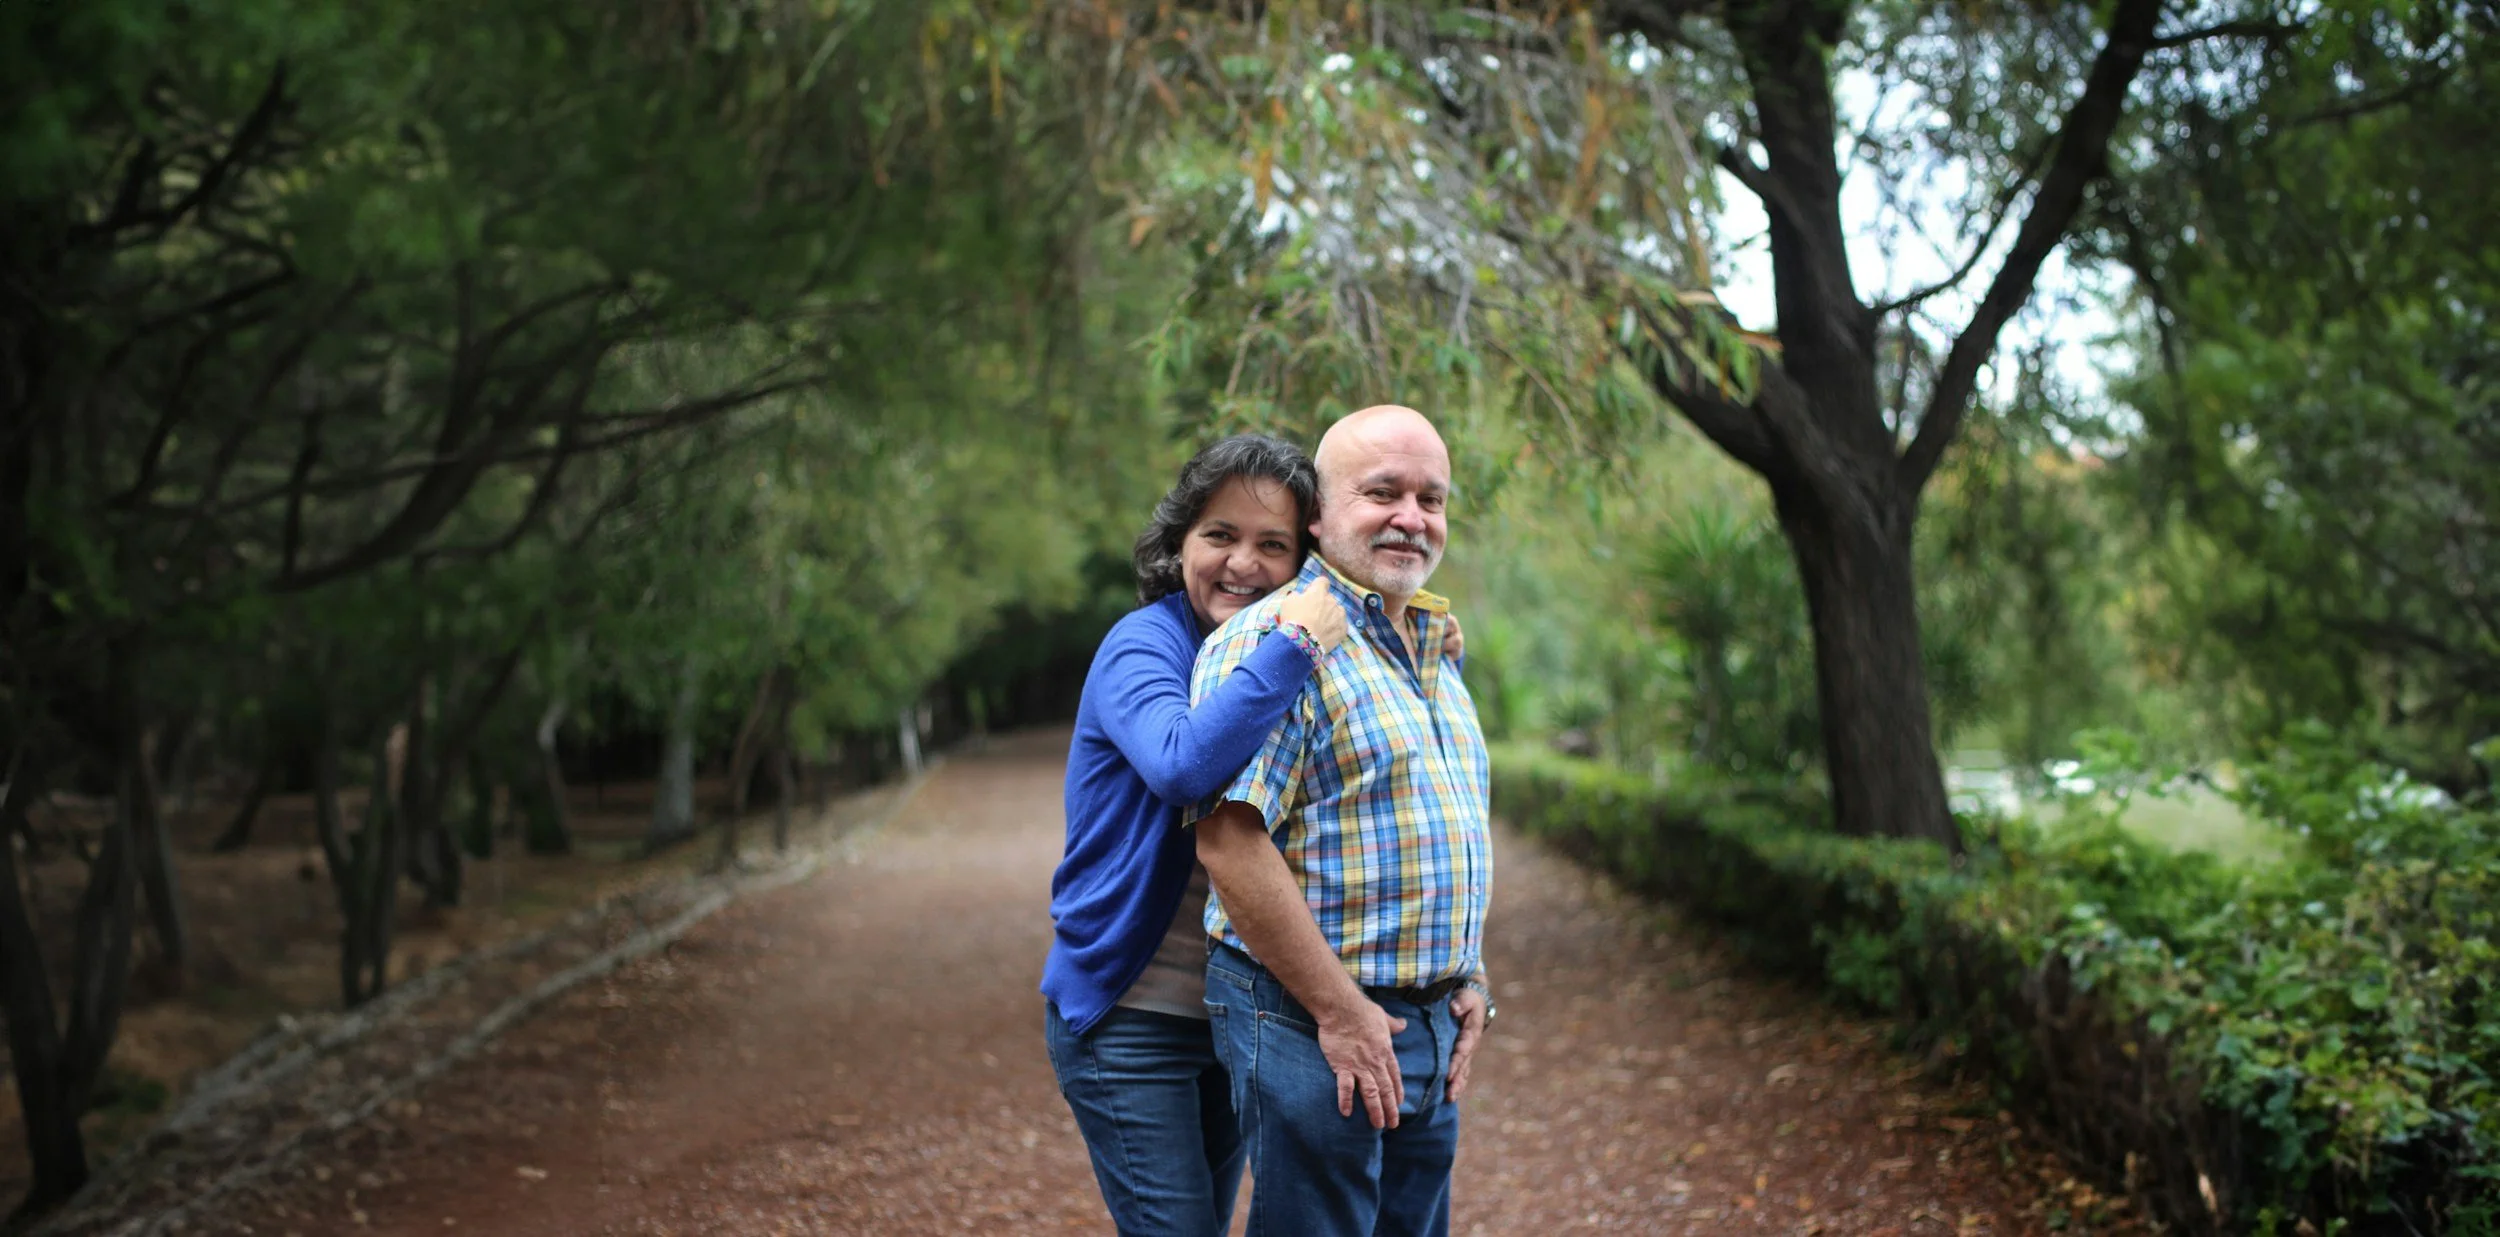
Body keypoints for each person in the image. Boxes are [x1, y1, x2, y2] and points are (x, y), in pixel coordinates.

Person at [1040, 433, 1462, 1237]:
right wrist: (1297, 641)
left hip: (1231, 1013)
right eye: (1220, 536)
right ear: (1179, 545)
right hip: (1130, 1015)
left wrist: (1423, 650)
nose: (1244, 564)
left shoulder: (1270, 653)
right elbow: (1181, 765)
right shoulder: (1146, 647)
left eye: (1273, 544)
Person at [1190, 405, 1494, 1237]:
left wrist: (1468, 975)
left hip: (1427, 1024)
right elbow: (1227, 838)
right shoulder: (1277, 639)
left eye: (1431, 499)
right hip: (1307, 1018)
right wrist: (1341, 1011)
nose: (1411, 517)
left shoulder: (1432, 645)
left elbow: (1439, 828)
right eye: (1383, 491)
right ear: (1318, 514)